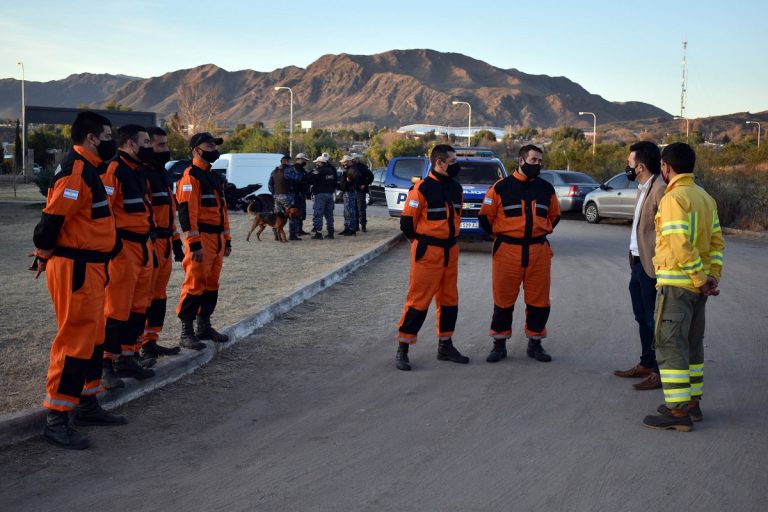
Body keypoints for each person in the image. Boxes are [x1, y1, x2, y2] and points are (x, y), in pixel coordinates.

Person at [32, 110, 126, 450]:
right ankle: (57, 419)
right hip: (77, 267)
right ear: (91, 138)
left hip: (92, 267)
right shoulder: (76, 170)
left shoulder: (90, 169)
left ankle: (87, 403)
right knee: (74, 341)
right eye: (106, 135)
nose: (110, 141)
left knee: (93, 338)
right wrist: (44, 253)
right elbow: (51, 220)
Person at [642, 142, 725, 432]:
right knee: (692, 346)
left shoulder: (673, 198)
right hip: (697, 289)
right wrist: (711, 276)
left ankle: (677, 414)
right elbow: (716, 243)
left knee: (670, 346)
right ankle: (692, 404)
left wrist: (700, 278)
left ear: (666, 167)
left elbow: (679, 244)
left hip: (678, 286)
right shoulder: (705, 197)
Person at [477, 144, 561, 363]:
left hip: (538, 252)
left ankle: (535, 344)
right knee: (503, 300)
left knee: (539, 302)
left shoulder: (546, 189)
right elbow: (485, 217)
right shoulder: (500, 187)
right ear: (521, 160)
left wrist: (537, 232)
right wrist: (504, 236)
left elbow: (554, 216)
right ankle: (499, 344)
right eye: (534, 160)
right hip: (508, 252)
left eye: (540, 161)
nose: (538, 165)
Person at [394, 144, 468, 371]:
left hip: (450, 251)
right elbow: (407, 224)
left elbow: (457, 217)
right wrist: (422, 243)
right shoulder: (422, 189)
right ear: (440, 162)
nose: (456, 165)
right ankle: (403, 348)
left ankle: (445, 345)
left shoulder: (456, 188)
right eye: (453, 161)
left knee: (449, 301)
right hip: (428, 252)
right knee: (418, 301)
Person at [101, 125, 157, 385]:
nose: (150, 146)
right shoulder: (114, 170)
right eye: (146, 142)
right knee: (116, 309)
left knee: (138, 307)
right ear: (131, 144)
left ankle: (127, 357)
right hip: (123, 248)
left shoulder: (139, 171)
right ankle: (106, 364)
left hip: (143, 247)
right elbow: (106, 212)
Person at [613, 141, 665, 390]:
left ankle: (659, 371)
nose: (628, 167)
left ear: (640, 166)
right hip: (636, 262)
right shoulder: (643, 188)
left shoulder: (660, 190)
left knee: (652, 319)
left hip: (650, 265)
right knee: (640, 316)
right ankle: (646, 362)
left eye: (630, 163)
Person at [176, 132, 232, 349]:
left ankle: (204, 326)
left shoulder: (214, 177)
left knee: (211, 285)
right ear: (196, 150)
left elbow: (222, 211)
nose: (213, 148)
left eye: (214, 145)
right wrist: (194, 244)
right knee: (194, 284)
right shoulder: (190, 177)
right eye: (208, 145)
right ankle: (186, 332)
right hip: (202, 240)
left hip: (216, 240)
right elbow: (186, 214)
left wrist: (227, 240)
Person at [140, 127, 183, 359]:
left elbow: (169, 212)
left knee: (159, 296)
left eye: (167, 145)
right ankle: (133, 348)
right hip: (151, 243)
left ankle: (150, 341)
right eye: (161, 145)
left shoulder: (162, 174)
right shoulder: (142, 174)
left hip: (166, 241)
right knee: (143, 298)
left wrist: (177, 243)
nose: (166, 150)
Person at [268, 154, 302, 240]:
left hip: (277, 197)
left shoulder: (274, 171)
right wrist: (297, 171)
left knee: (277, 215)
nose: (291, 163)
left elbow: (270, 185)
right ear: (286, 161)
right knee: (292, 215)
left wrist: (274, 193)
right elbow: (298, 178)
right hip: (287, 196)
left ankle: (276, 235)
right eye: (290, 161)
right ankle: (292, 235)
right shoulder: (288, 170)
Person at [308, 154, 337, 239]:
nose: (316, 164)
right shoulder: (331, 171)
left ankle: (318, 233)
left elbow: (309, 179)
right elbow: (334, 182)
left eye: (317, 162)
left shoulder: (319, 171)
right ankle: (331, 233)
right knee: (329, 214)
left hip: (320, 194)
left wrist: (313, 171)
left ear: (321, 163)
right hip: (330, 194)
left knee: (318, 214)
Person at [351, 154, 373, 232]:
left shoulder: (363, 168)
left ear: (358, 159)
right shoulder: (351, 167)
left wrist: (365, 184)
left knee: (361, 208)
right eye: (353, 159)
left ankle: (363, 226)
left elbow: (371, 177)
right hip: (352, 191)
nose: (354, 160)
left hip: (361, 191)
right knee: (354, 209)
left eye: (356, 159)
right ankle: (356, 226)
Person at [338, 155, 358, 236]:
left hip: (349, 192)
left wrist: (349, 179)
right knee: (346, 211)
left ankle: (351, 229)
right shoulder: (348, 170)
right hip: (346, 192)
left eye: (344, 162)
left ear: (349, 162)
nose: (343, 164)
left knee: (350, 211)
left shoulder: (352, 170)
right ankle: (347, 228)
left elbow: (354, 176)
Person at [292, 153, 312, 236]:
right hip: (297, 193)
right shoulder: (295, 168)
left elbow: (305, 178)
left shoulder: (301, 168)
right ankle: (297, 230)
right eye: (304, 160)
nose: (305, 162)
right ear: (299, 159)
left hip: (301, 193)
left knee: (301, 212)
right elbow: (300, 179)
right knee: (297, 212)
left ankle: (300, 229)